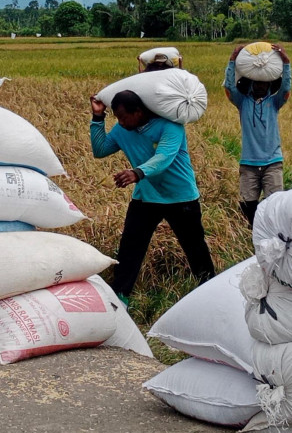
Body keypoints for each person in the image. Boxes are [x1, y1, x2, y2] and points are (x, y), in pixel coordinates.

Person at [90, 89, 215, 305]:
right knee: (130, 248)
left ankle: (210, 291)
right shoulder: (122, 130)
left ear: (138, 111)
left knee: (195, 248)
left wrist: (136, 173)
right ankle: (119, 299)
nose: (119, 122)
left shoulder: (170, 126)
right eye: (117, 117)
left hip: (181, 198)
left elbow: (163, 157)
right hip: (146, 198)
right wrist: (98, 116)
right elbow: (99, 150)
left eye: (123, 116)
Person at [223, 43, 292, 227]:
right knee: (247, 204)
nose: (260, 86)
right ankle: (253, 233)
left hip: (272, 162)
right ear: (252, 83)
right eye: (257, 82)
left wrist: (286, 62)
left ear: (269, 84)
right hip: (249, 164)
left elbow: (285, 89)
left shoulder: (274, 102)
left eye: (264, 83)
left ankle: (272, 232)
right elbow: (229, 86)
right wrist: (232, 60)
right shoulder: (242, 102)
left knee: (275, 204)